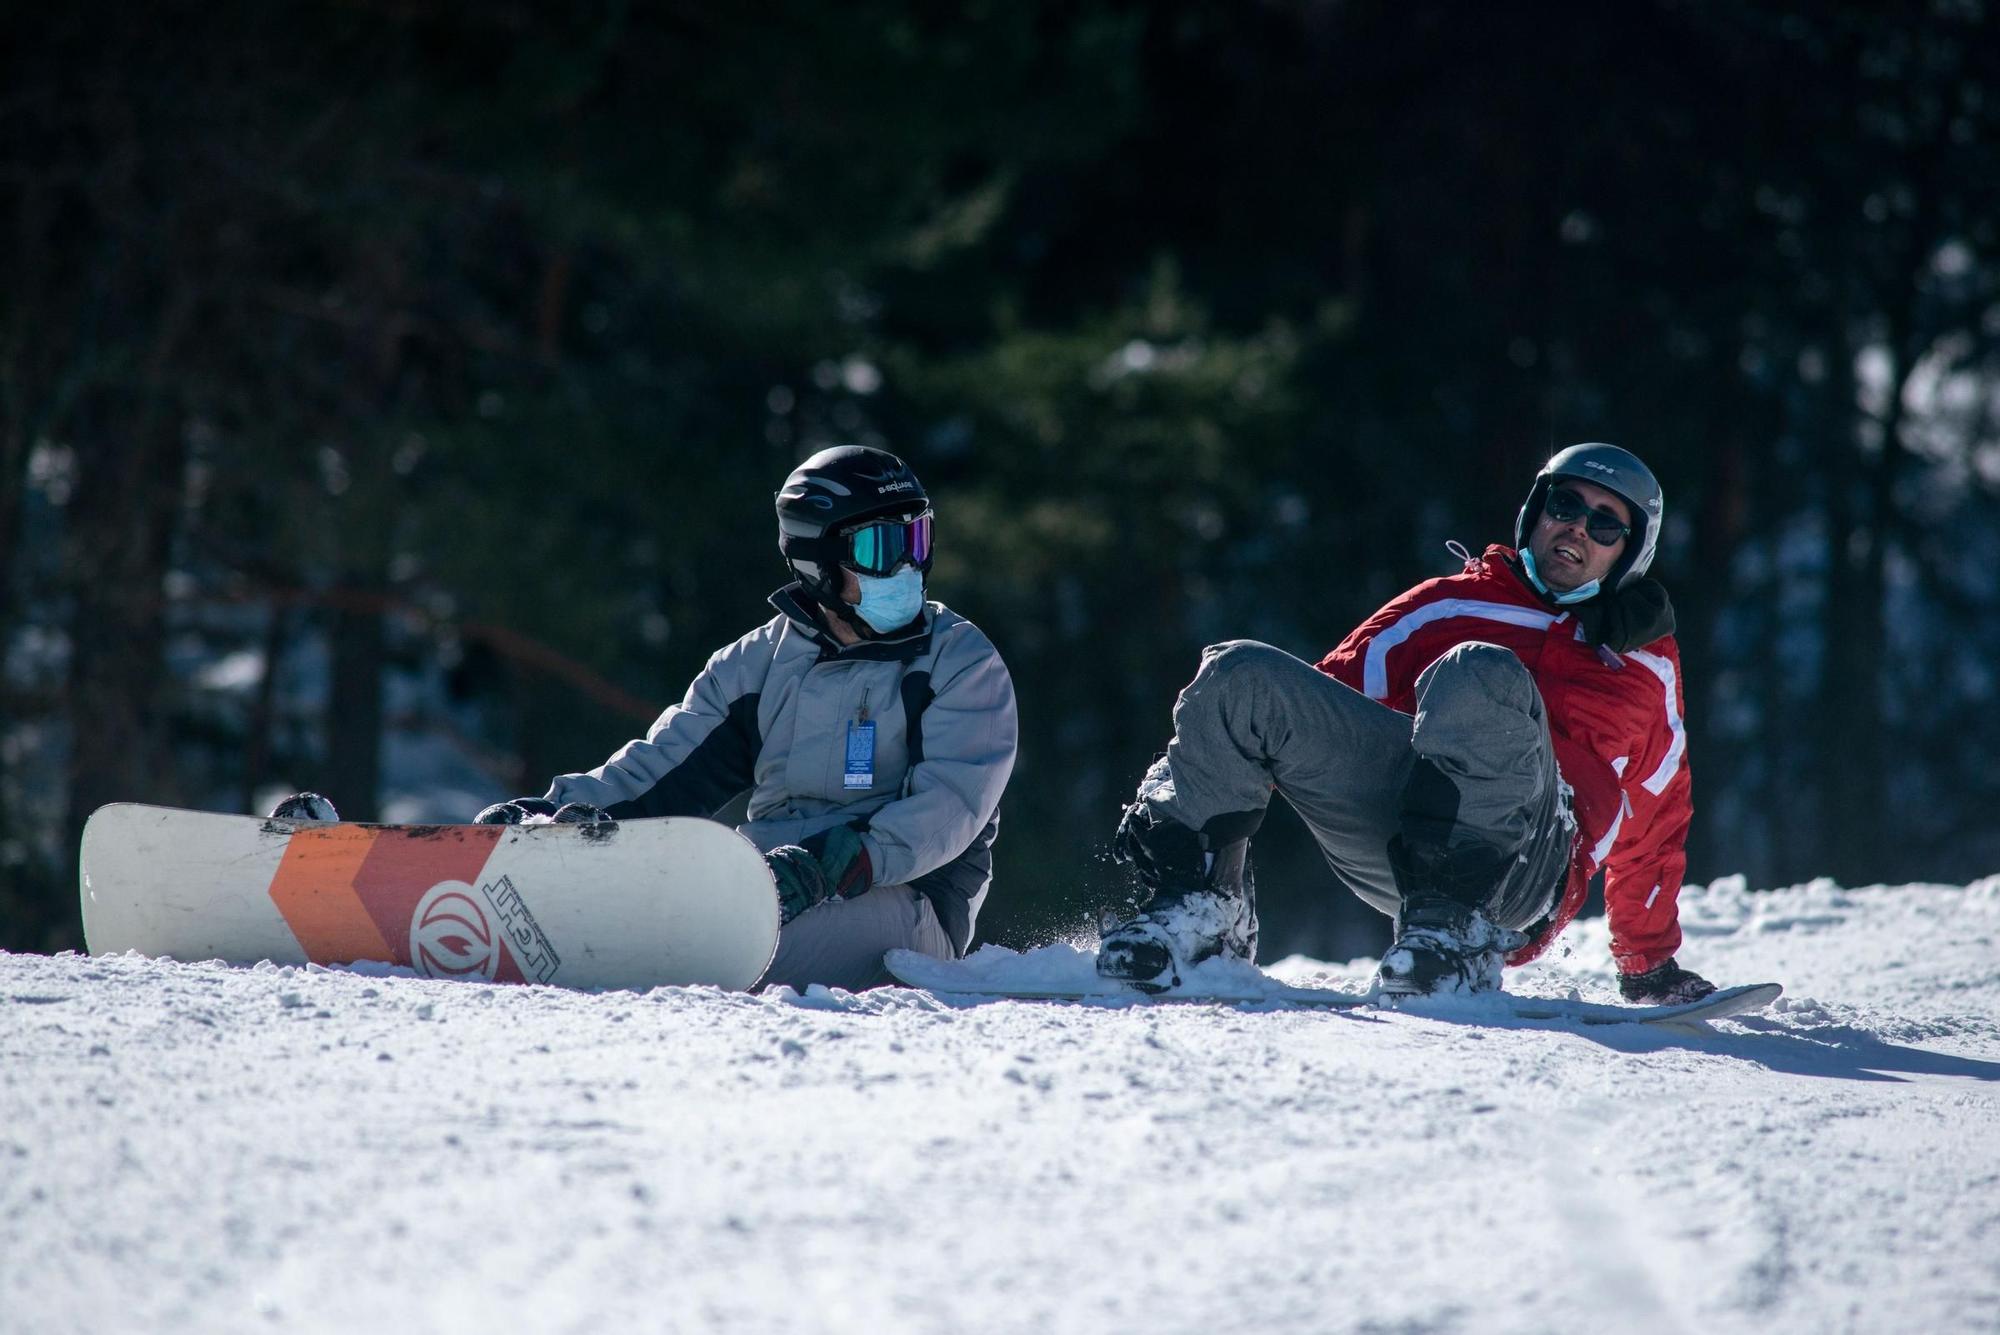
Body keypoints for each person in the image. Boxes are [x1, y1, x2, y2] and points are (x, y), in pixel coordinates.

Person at [285, 445, 1018, 992]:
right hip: (755, 889)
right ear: (819, 558)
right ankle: (407, 887)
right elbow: (657, 775)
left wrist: (833, 864)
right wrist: (547, 812)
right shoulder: (760, 664)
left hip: (905, 909)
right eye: (882, 546)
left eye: (916, 538)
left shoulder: (958, 664)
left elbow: (946, 812)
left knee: (702, 942)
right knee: (655, 898)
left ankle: (563, 944)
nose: (908, 567)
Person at [1096, 443, 1712, 1005]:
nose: (1578, 526)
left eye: (1605, 523)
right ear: (1535, 513)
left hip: (1528, 868)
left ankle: (1458, 932)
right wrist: (1187, 786)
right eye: (1565, 504)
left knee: (1480, 672)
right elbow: (1317, 708)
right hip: (1402, 836)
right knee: (1243, 675)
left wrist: (1647, 962)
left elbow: (1658, 813)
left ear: (1629, 550)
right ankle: (1202, 908)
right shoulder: (1448, 604)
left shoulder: (1643, 664)